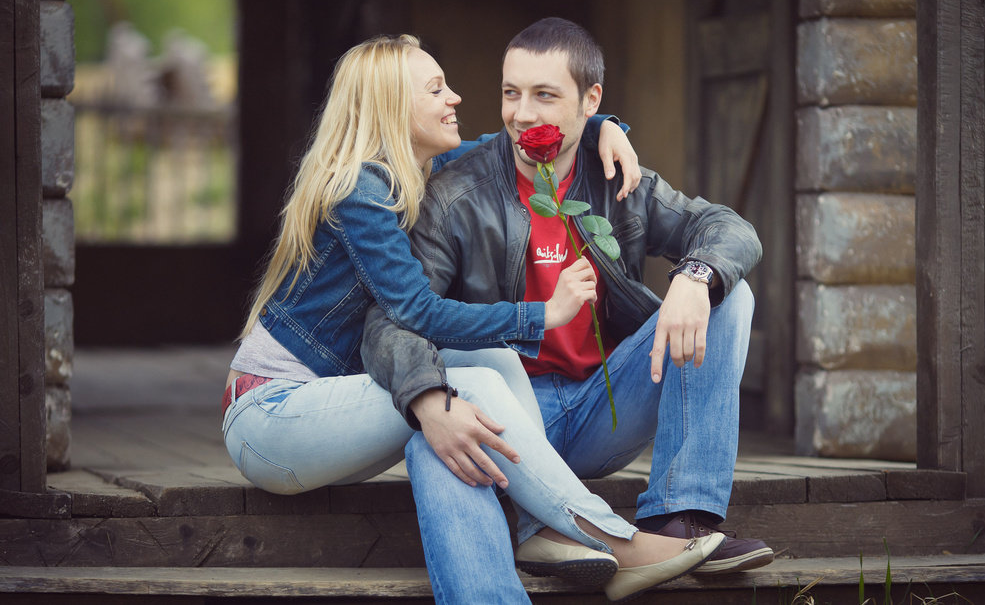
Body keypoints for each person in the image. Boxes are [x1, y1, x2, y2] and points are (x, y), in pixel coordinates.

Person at [222, 34, 725, 605]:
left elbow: (522, 136)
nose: (456, 97)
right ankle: (608, 535)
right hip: (272, 415)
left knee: (489, 363)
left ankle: (540, 533)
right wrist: (543, 314)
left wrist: (607, 124)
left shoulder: (422, 166)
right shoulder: (358, 192)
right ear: (391, 106)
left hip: (331, 408)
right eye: (436, 88)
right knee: (476, 382)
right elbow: (415, 311)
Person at [362, 18, 773, 599]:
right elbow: (391, 322)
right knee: (433, 442)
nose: (522, 114)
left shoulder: (616, 180)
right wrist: (430, 399)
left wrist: (694, 276)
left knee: (729, 294)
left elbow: (727, 229)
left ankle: (681, 523)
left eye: (545, 95)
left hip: (603, 406)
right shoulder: (456, 197)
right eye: (511, 93)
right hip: (506, 419)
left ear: (591, 102)